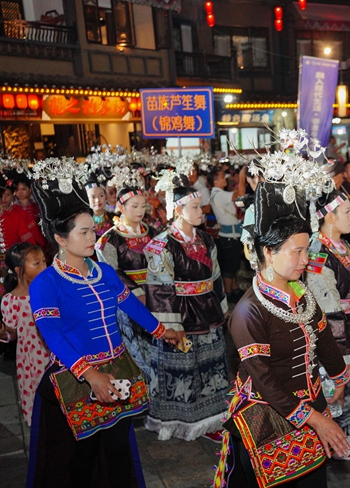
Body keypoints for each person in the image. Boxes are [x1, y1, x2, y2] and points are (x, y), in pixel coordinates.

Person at [199, 133, 350, 488]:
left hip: (309, 408)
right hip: (266, 417)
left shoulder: (301, 292)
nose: (306, 257)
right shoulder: (248, 311)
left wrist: (339, 375)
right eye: (298, 250)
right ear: (267, 252)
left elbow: (321, 336)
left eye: (308, 248)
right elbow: (263, 378)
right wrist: (317, 417)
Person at [22, 184, 183, 488]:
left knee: (119, 442)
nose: (93, 235)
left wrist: (162, 331)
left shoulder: (103, 271)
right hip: (77, 374)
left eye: (93, 229)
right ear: (60, 239)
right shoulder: (46, 283)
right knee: (85, 446)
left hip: (118, 367)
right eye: (84, 231)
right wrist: (88, 372)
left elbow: (130, 305)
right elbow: (51, 333)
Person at [143, 169, 230, 441]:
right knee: (183, 369)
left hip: (208, 309)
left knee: (212, 365)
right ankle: (182, 420)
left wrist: (222, 306)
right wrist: (170, 327)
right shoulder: (162, 245)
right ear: (178, 210)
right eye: (194, 207)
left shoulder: (205, 239)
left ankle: (212, 419)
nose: (201, 211)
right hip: (181, 314)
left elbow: (215, 275)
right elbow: (160, 289)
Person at [305, 187, 350, 460]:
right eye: (347, 212)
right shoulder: (319, 254)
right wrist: (343, 357)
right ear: (329, 217)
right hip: (335, 335)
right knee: (335, 387)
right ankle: (331, 446)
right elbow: (331, 312)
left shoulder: (341, 245)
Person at [0, 172, 46, 355]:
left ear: (1, 198)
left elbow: (29, 245)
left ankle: (11, 348)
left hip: (14, 274)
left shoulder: (14, 218)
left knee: (15, 314)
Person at [95, 167, 156, 382]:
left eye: (143, 205)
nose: (140, 210)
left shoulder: (155, 234)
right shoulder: (108, 240)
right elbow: (112, 273)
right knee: (135, 353)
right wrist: (137, 292)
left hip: (157, 298)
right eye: (134, 206)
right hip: (127, 302)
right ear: (121, 206)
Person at [0, 243, 48, 425]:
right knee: (40, 397)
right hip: (32, 359)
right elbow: (12, 334)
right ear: (19, 270)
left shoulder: (49, 290)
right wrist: (3, 332)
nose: (44, 267)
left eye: (44, 262)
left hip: (55, 352)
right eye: (37, 263)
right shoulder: (10, 300)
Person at [209, 165, 244, 301]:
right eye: (223, 177)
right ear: (216, 182)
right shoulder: (219, 194)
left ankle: (234, 289)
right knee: (230, 267)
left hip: (229, 235)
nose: (226, 179)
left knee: (233, 265)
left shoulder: (217, 193)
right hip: (230, 236)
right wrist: (242, 176)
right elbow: (239, 194)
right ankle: (228, 295)